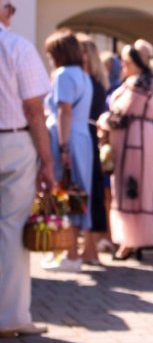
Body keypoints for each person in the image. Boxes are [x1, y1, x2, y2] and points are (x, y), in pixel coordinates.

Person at [0, 0, 54, 337]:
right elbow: (35, 110)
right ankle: (11, 317)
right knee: (11, 229)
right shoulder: (17, 46)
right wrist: (47, 161)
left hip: (15, 140)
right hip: (14, 142)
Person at [97, 43, 153, 260]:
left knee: (132, 187)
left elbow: (121, 114)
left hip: (135, 140)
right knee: (130, 188)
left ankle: (132, 241)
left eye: (126, 61)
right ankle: (129, 239)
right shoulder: (140, 81)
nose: (122, 65)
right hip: (133, 138)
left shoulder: (140, 82)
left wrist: (104, 120)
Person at [42, 30, 94, 272]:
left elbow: (64, 110)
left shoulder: (63, 75)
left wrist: (62, 147)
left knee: (64, 193)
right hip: (81, 138)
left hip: (66, 138)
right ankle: (69, 252)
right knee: (75, 194)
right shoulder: (84, 76)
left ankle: (71, 254)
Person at [77, 33, 108, 265]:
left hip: (85, 136)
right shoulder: (96, 82)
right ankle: (89, 249)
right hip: (89, 136)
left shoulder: (88, 82)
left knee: (86, 192)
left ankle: (89, 249)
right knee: (89, 192)